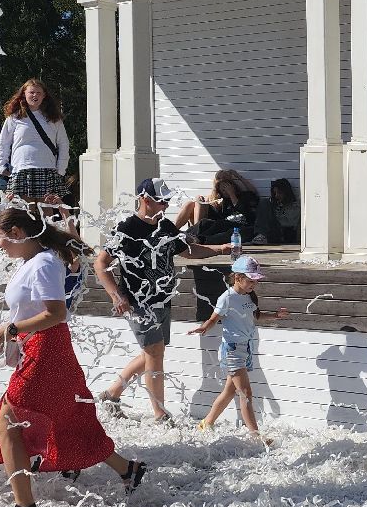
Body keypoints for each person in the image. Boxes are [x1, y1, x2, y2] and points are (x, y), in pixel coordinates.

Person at [0, 206, 143, 507]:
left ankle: (25, 506)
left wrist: (12, 329)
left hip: (47, 349)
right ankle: (127, 469)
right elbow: (26, 313)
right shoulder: (31, 261)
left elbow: (56, 314)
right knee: (66, 417)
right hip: (37, 347)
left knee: (10, 421)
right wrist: (1, 339)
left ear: (16, 233)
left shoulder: (43, 263)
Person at [92, 178, 231, 421]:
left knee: (153, 353)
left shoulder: (165, 226)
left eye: (167, 201)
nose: (166, 206)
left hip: (162, 299)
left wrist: (219, 249)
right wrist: (116, 295)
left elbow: (187, 250)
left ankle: (111, 394)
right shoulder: (126, 229)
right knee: (155, 352)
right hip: (137, 300)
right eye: (162, 201)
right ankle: (160, 415)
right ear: (146, 200)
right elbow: (100, 264)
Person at [189, 255, 287, 439]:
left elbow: (255, 316)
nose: (253, 285)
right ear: (237, 278)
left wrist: (274, 316)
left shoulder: (248, 297)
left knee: (229, 391)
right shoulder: (227, 298)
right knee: (245, 393)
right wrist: (203, 328)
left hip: (245, 348)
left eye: (255, 281)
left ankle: (206, 423)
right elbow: (213, 319)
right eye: (250, 280)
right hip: (232, 349)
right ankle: (255, 435)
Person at [0, 79, 70, 203]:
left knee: (47, 212)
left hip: (47, 168)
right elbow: (3, 143)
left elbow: (63, 144)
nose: (35, 95)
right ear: (24, 94)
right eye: (31, 92)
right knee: (24, 212)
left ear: (44, 96)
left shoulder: (53, 119)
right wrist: (1, 165)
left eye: (38, 93)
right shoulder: (14, 117)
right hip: (21, 169)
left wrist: (61, 168)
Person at [175, 169, 260, 244]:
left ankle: (195, 237)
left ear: (233, 186)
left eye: (227, 187)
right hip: (218, 224)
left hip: (237, 226)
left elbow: (253, 192)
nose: (225, 191)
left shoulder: (243, 196)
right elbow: (211, 199)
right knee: (196, 207)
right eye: (223, 189)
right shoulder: (220, 200)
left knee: (217, 224)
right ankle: (174, 231)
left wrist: (237, 180)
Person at [252, 178, 301, 245]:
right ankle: (260, 235)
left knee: (265, 202)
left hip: (283, 233)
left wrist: (276, 213)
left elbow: (289, 223)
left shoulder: (294, 206)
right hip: (272, 231)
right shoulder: (277, 204)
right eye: (275, 193)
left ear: (286, 193)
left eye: (279, 193)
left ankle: (262, 235)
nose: (276, 196)